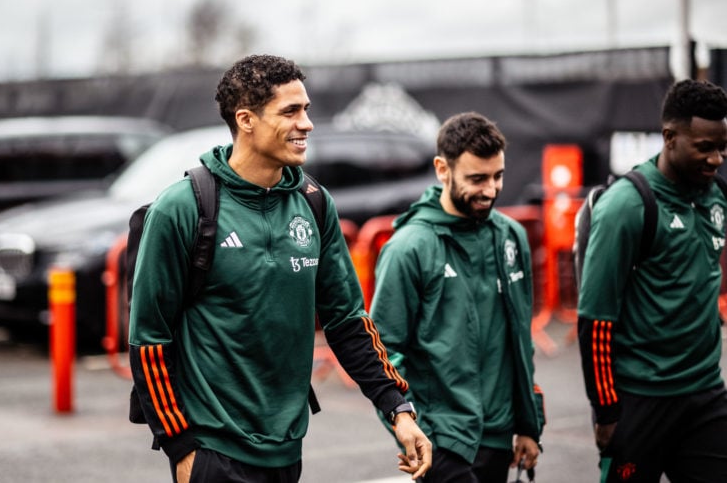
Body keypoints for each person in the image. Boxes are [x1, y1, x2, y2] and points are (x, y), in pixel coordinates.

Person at [128, 54, 431, 483]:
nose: (306, 123)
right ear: (246, 120)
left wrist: (398, 409)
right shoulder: (182, 208)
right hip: (212, 451)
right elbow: (149, 338)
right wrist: (181, 448)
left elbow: (347, 321)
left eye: (305, 109)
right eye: (290, 111)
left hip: (288, 450)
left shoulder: (314, 202)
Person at [370, 111, 545, 482]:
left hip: (501, 436)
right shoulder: (408, 248)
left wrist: (530, 422)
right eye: (477, 179)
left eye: (498, 176)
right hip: (444, 441)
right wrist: (417, 434)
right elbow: (382, 355)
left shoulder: (511, 237)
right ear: (442, 169)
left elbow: (519, 340)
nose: (491, 189)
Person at [577, 78, 727, 482]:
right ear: (669, 137)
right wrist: (607, 411)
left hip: (705, 395)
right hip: (639, 401)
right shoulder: (627, 205)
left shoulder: (717, 196)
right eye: (705, 147)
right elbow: (595, 319)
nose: (717, 159)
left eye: (722, 147)